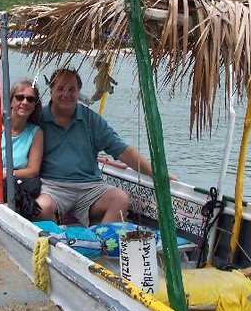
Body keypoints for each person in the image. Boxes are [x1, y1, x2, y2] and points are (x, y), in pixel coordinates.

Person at [35, 68, 176, 227]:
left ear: (79, 92)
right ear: (51, 90)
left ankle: (99, 244)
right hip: (53, 188)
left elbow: (122, 150)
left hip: (89, 187)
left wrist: (155, 172)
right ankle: (62, 241)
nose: (66, 94)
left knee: (120, 199)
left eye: (72, 89)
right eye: (60, 88)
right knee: (40, 209)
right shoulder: (38, 118)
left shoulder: (90, 120)